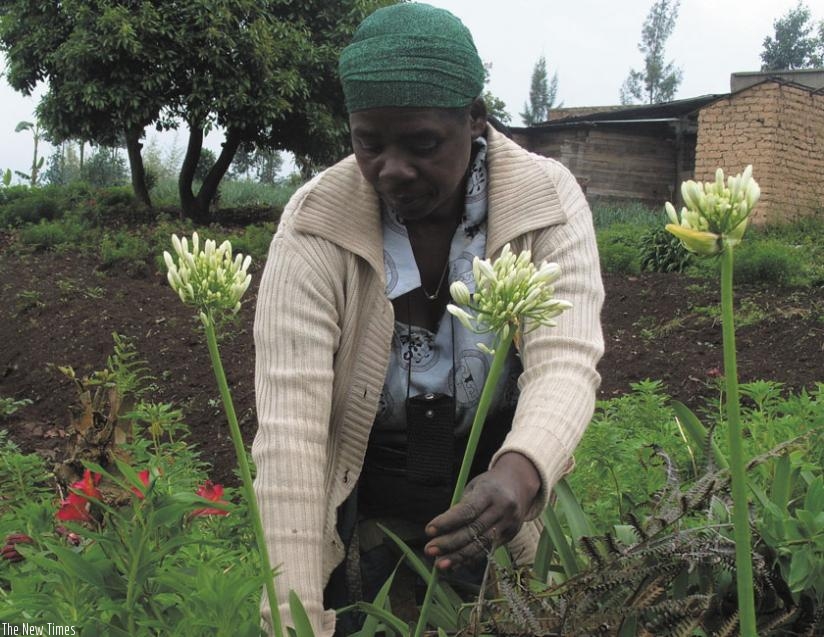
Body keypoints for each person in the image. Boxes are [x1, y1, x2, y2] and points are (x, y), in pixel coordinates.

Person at [252, 3, 604, 635]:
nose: (391, 168)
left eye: (421, 144)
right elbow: (293, 432)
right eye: (369, 143)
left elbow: (567, 360)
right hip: (366, 509)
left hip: (502, 510)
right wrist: (294, 616)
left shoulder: (546, 202)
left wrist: (521, 471)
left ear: (475, 120)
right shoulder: (314, 226)